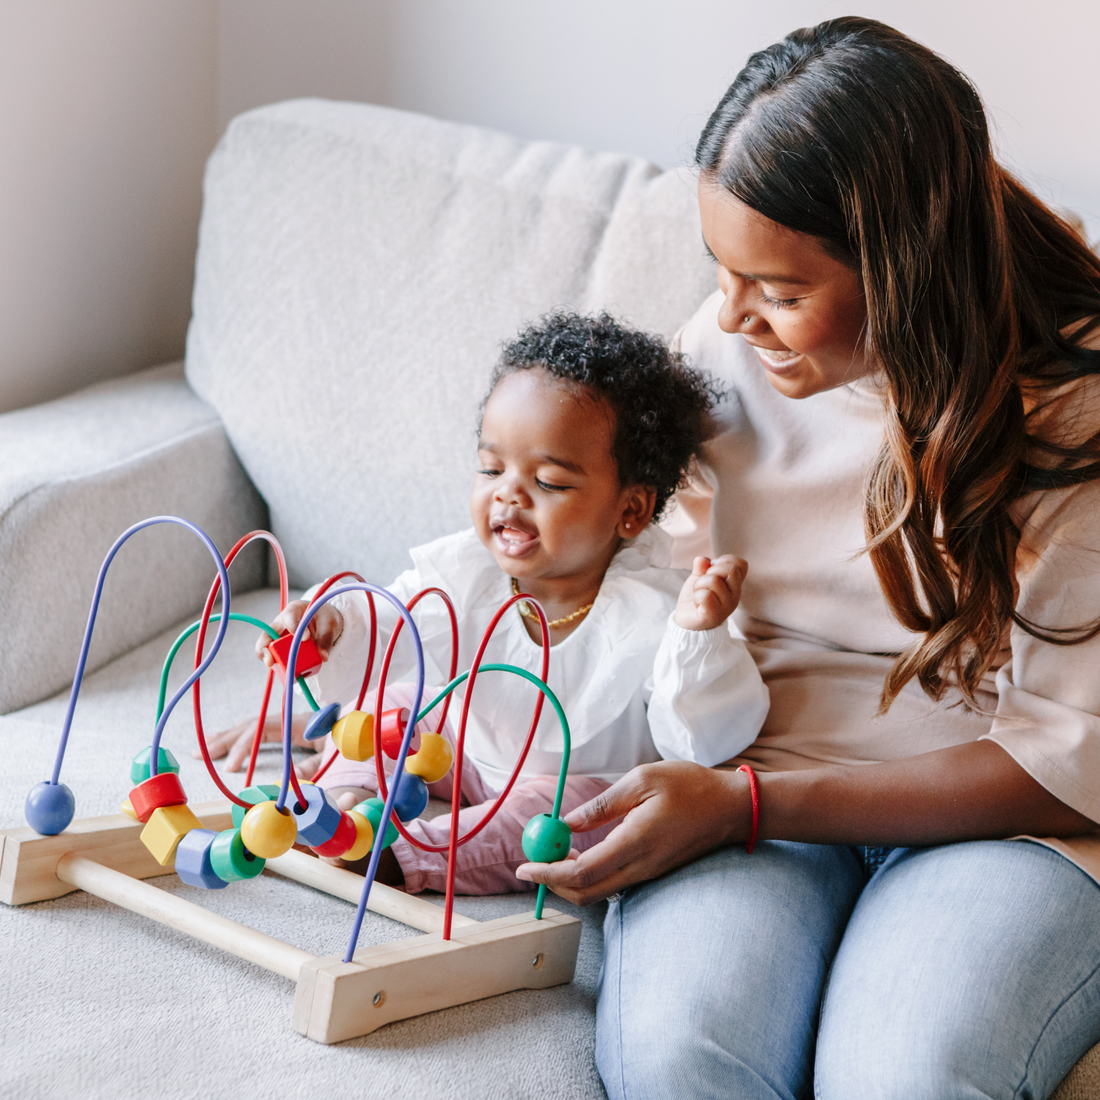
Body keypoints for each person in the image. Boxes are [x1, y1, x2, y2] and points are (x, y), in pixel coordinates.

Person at [517, 18, 1100, 1100]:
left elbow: (1062, 764)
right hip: (756, 760)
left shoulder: (1074, 406)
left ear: (907, 267)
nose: (732, 317)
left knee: (901, 1075)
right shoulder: (726, 350)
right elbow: (578, 532)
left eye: (779, 291)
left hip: (1004, 821)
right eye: (722, 273)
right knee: (682, 1054)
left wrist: (746, 805)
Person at [207, 311, 769, 895]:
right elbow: (388, 623)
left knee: (555, 815)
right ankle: (343, 797)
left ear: (629, 509)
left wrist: (698, 635)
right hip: (461, 746)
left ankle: (404, 856)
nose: (508, 492)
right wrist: (325, 623)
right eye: (491, 468)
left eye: (549, 481)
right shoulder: (465, 574)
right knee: (395, 704)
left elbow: (700, 740)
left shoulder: (651, 613)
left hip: (565, 782)